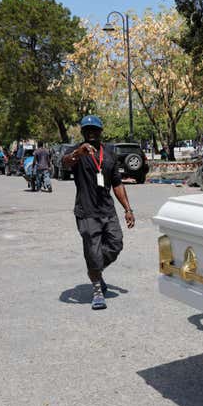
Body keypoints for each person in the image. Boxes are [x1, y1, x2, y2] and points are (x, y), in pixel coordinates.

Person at [62, 115, 135, 310]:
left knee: (116, 244)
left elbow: (117, 184)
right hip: (86, 212)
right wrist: (78, 152)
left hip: (108, 211)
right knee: (92, 250)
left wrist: (128, 209)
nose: (92, 133)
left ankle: (95, 270)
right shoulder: (77, 152)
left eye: (95, 130)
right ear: (83, 133)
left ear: (101, 132)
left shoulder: (109, 154)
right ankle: (97, 289)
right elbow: (65, 163)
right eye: (88, 130)